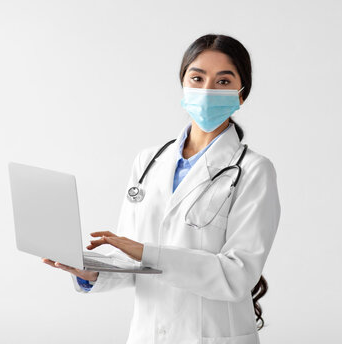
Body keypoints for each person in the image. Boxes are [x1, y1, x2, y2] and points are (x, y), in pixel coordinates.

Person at [42, 33, 281, 344]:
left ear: (241, 94)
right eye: (197, 78)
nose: (207, 90)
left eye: (223, 81)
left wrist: (148, 253)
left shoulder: (254, 170)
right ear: (183, 84)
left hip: (213, 335)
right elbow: (130, 262)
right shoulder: (148, 162)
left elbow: (237, 276)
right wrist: (92, 273)